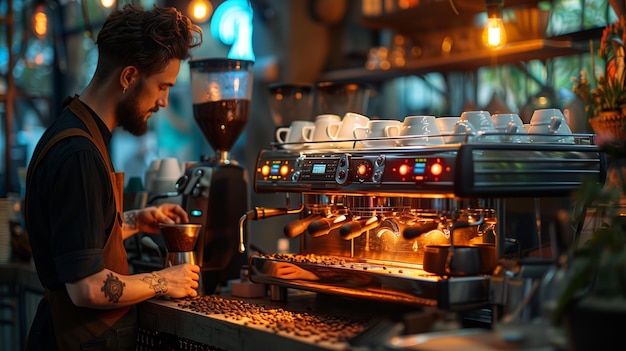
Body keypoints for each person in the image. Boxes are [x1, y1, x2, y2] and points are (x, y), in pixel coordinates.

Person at [24, 4, 203, 350]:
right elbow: (87, 286)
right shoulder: (80, 154)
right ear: (128, 77)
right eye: (162, 87)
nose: (164, 102)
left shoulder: (76, 131)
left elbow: (80, 232)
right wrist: (165, 280)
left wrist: (137, 220)